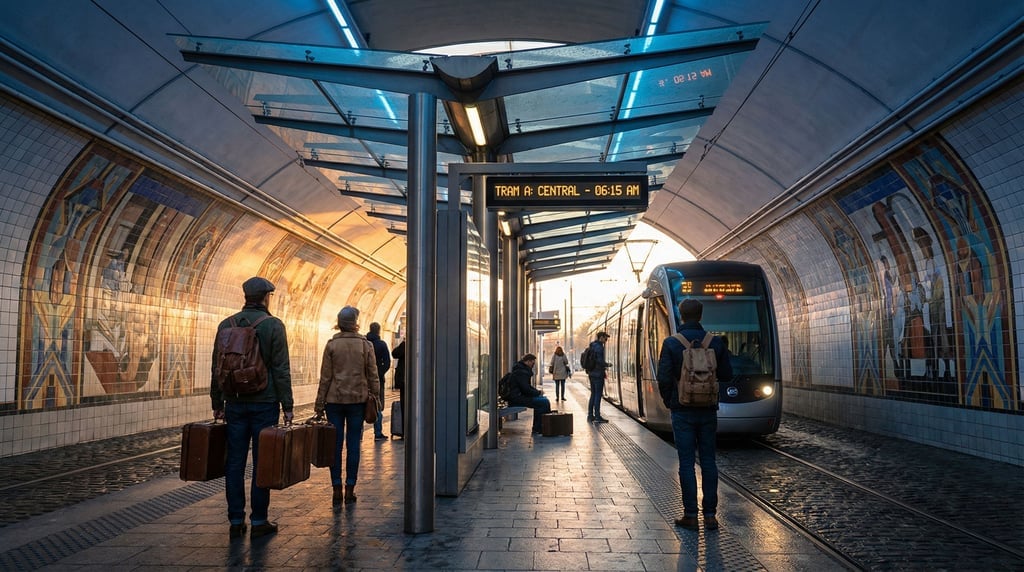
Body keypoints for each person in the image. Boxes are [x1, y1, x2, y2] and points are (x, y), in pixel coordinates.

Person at [211, 276, 293, 540]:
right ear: (266, 296)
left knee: (234, 463)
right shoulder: (273, 325)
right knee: (262, 462)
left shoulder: (227, 324)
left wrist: (217, 402)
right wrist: (287, 405)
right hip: (264, 403)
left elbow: (217, 368)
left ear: (246, 296)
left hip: (234, 402)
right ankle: (259, 520)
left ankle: (236, 519)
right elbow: (280, 369)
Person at [656, 298, 733, 532]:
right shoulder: (715, 343)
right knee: (709, 461)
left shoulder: (671, 343)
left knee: (687, 463)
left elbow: (664, 377)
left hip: (682, 410)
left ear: (681, 316)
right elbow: (727, 374)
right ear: (700, 316)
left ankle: (690, 515)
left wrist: (671, 402)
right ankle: (710, 516)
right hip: (708, 410)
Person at [314, 306, 380, 506]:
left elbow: (325, 377)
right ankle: (350, 488)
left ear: (339, 322)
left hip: (334, 402)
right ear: (356, 322)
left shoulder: (332, 345)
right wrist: (376, 398)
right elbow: (373, 375)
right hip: (357, 402)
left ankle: (336, 489)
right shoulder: (365, 345)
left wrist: (319, 404)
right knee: (353, 445)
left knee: (334, 445)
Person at [506, 353, 552, 435]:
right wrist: (537, 393)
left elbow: (526, 387)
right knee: (544, 402)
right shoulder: (521, 372)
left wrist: (537, 392)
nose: (533, 365)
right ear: (527, 361)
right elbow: (526, 389)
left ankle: (541, 427)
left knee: (544, 400)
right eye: (532, 362)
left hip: (519, 396)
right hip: (517, 398)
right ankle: (539, 427)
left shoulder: (521, 370)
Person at [366, 322, 391, 441]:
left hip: (363, 380)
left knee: (361, 406)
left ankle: (359, 434)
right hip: (378, 380)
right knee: (378, 405)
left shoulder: (364, 343)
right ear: (379, 331)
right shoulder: (381, 344)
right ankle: (378, 432)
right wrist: (379, 373)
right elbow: (387, 362)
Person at [585, 332, 611, 423]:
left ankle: (590, 415)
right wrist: (607, 364)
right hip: (598, 374)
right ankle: (597, 416)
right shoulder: (599, 347)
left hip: (592, 374)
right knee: (598, 395)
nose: (606, 340)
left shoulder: (592, 346)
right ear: (601, 337)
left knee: (593, 394)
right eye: (605, 338)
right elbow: (599, 361)